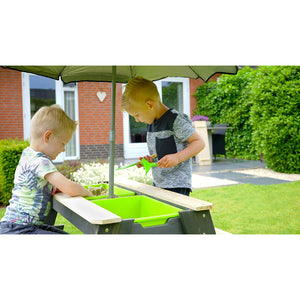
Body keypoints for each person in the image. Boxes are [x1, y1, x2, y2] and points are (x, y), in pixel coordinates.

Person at [0, 104, 93, 234]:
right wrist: (87, 192)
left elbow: (34, 184)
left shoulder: (28, 155)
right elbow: (70, 188)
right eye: (63, 143)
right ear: (47, 137)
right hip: (20, 229)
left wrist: (50, 186)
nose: (63, 149)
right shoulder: (40, 161)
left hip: (15, 226)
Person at [121, 76, 205, 196]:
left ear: (150, 105)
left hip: (177, 186)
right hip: (159, 184)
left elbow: (199, 142)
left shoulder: (175, 120)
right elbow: (163, 152)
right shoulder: (151, 122)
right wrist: (150, 160)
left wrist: (177, 157)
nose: (137, 120)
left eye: (137, 115)